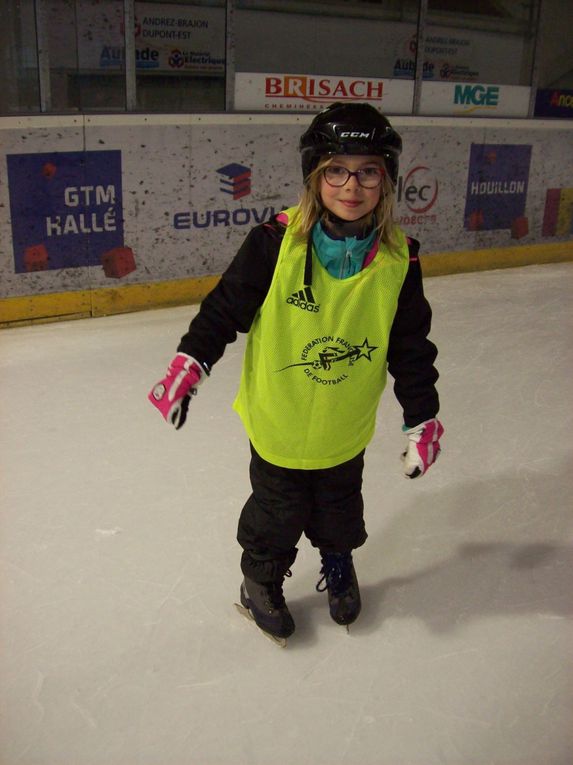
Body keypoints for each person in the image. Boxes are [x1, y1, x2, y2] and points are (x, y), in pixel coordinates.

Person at [149, 102, 443, 644]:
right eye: (336, 169)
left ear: (387, 180)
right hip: (280, 422)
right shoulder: (273, 242)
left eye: (368, 170)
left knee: (339, 507)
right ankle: (258, 582)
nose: (350, 185)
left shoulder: (402, 259)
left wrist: (422, 418)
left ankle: (337, 562)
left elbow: (410, 347)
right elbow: (224, 310)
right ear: (315, 174)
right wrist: (190, 361)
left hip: (343, 422)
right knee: (275, 514)